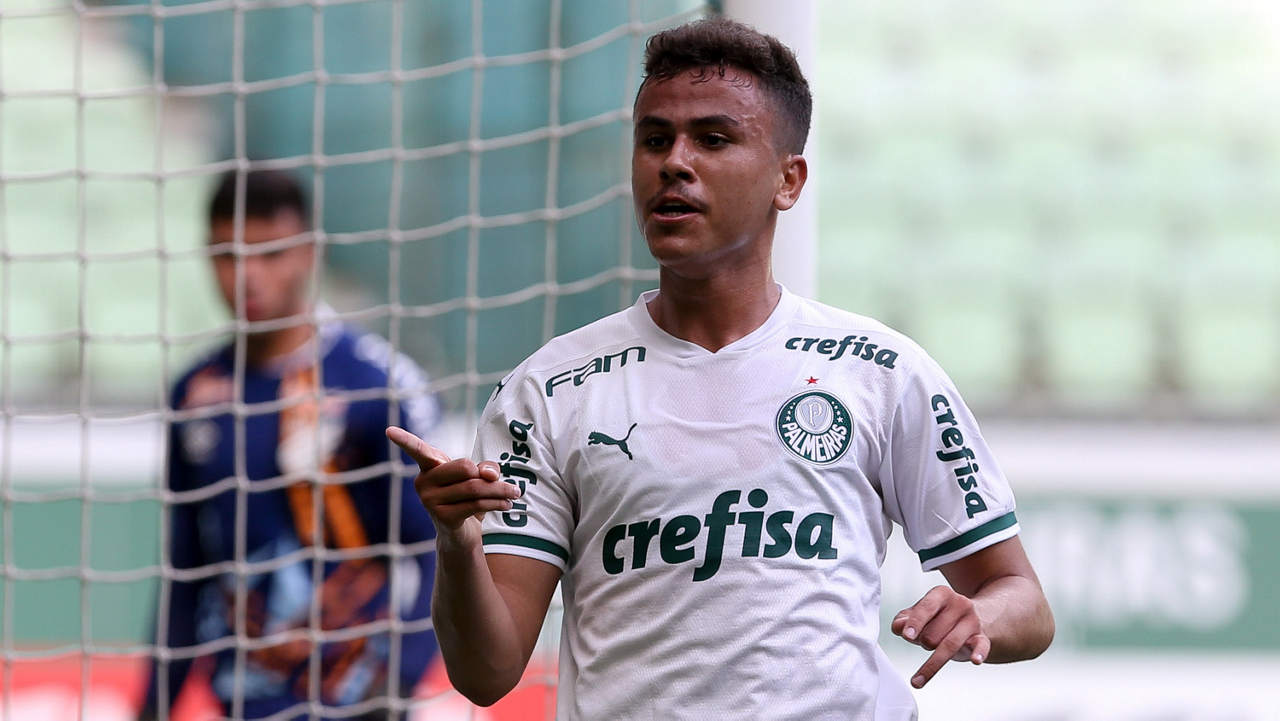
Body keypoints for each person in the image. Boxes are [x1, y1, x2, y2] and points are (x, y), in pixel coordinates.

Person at [388, 17, 1054, 720]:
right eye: (654, 139)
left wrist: (980, 615)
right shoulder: (549, 390)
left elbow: (1024, 601)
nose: (674, 162)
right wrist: (457, 541)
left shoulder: (881, 371)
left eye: (712, 139)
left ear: (788, 180)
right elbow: (486, 674)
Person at [142, 169, 441, 720]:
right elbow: (186, 572)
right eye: (228, 256)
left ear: (308, 253)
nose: (247, 276)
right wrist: (152, 707)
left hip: (358, 701)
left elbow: (436, 552)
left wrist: (398, 683)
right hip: (244, 702)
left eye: (270, 253)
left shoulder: (372, 384)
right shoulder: (196, 393)